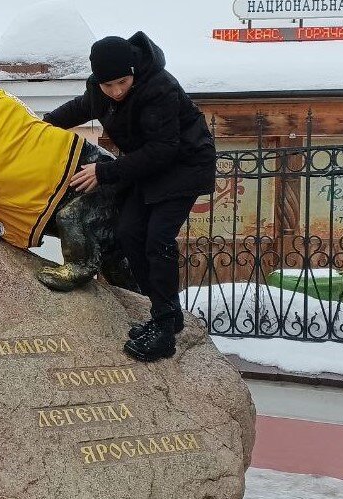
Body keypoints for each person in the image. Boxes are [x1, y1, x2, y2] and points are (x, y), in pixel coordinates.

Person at [44, 32, 216, 362]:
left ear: (134, 70)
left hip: (185, 165)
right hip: (147, 167)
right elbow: (79, 108)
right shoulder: (100, 91)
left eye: (122, 82)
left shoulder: (159, 86)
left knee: (158, 238)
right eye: (108, 85)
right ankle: (163, 314)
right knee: (128, 234)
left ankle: (165, 330)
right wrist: (40, 126)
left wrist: (105, 173)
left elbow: (164, 149)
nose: (117, 91)